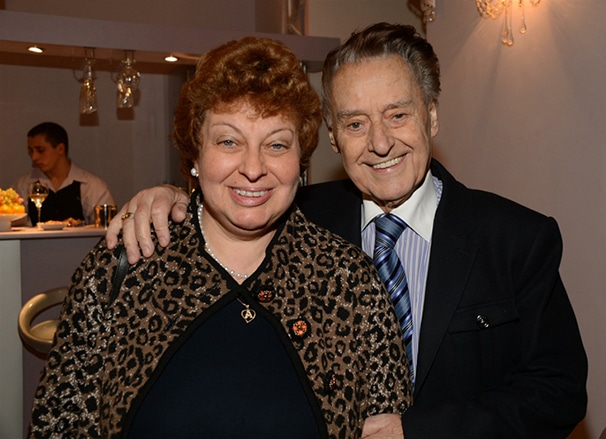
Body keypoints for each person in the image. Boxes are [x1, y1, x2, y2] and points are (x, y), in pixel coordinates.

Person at [107, 23, 588, 438]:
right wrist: (171, 198)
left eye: (397, 115)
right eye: (356, 123)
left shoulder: (515, 240)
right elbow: (235, 198)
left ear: (431, 116)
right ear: (333, 138)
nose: (380, 143)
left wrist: (419, 431)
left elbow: (559, 392)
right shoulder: (298, 222)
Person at [29, 37, 412, 438]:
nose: (253, 168)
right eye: (229, 141)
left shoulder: (347, 281)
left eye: (276, 144)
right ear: (195, 153)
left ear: (300, 160)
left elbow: (386, 427)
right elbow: (58, 425)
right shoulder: (126, 265)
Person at [12, 121, 115, 225]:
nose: (34, 157)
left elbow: (107, 229)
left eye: (41, 150)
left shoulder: (92, 187)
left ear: (60, 149)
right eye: (31, 151)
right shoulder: (23, 186)